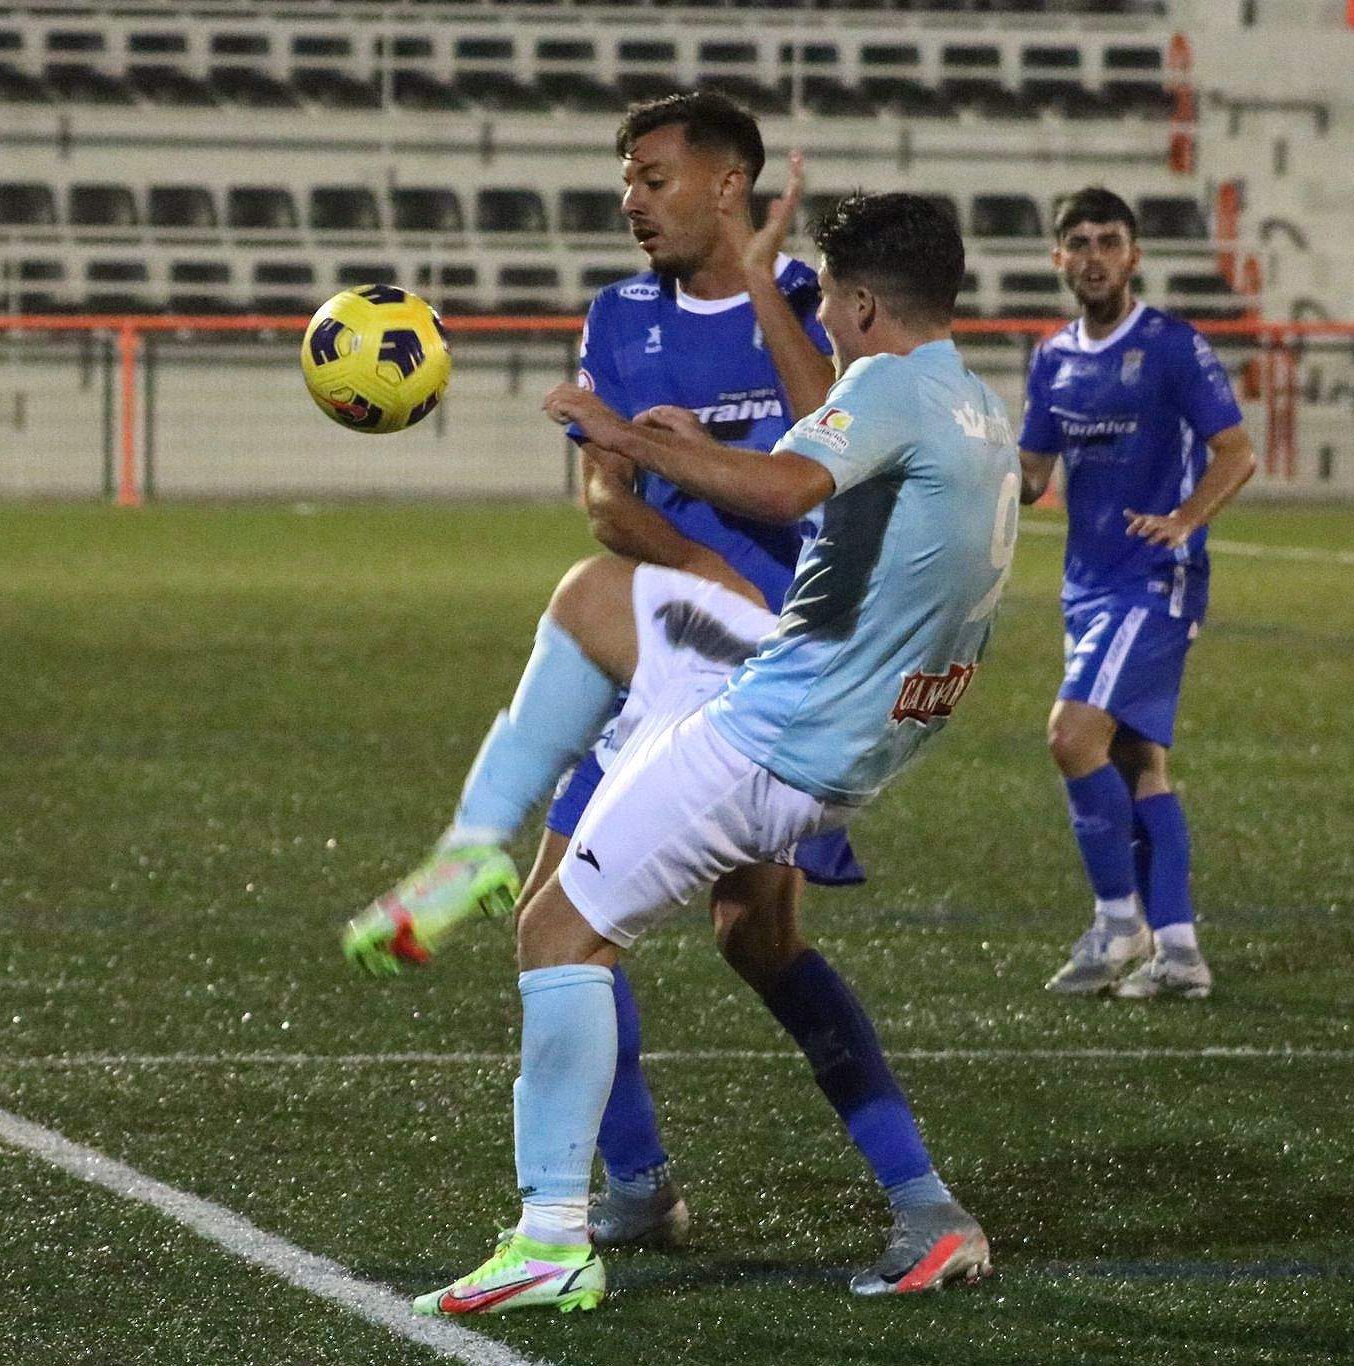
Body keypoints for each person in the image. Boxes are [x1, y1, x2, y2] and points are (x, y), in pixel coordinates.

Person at [412, 191, 1019, 1317]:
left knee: (554, 928)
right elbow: (833, 465)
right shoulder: (975, 406)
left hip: (774, 734)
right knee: (759, 938)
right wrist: (700, 440)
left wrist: (628, 438)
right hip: (869, 741)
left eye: (828, 299)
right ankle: (928, 1210)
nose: (822, 315)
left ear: (864, 302)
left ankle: (551, 1230)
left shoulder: (884, 387)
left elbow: (789, 484)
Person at [340, 92, 873, 1250]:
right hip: (660, 648)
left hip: (772, 676)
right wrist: (698, 566)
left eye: (653, 178)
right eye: (626, 181)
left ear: (726, 184)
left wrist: (767, 285)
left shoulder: (803, 308)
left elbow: (833, 442)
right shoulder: (619, 317)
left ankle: (907, 1184)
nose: (630, 202)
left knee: (754, 942)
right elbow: (602, 500)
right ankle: (637, 1187)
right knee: (561, 921)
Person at [1019, 186, 1256, 1001]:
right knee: (1135, 759)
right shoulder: (1051, 357)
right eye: (1077, 242)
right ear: (1057, 258)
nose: (1092, 256)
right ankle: (1181, 951)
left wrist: (1186, 520)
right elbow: (1031, 476)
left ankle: (1118, 922)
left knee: (1071, 735)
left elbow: (1236, 451)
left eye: (1107, 241)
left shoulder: (1171, 347)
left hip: (1155, 580)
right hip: (1086, 584)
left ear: (1134, 255)